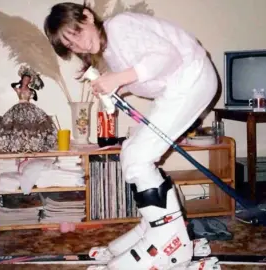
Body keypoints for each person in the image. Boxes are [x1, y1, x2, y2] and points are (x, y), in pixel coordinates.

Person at [44, 3, 218, 270]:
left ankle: (169, 239)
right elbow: (147, 76)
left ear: (88, 17)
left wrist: (118, 79)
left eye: (76, 35)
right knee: (131, 152)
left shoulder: (119, 27)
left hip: (191, 79)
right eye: (71, 46)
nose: (77, 47)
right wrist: (116, 88)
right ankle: (156, 226)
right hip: (178, 87)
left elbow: (166, 57)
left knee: (139, 157)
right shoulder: (110, 49)